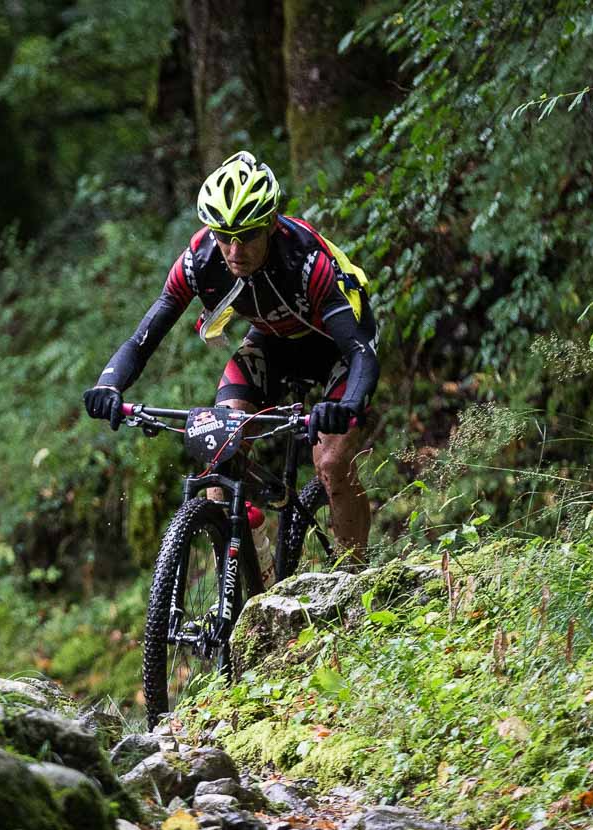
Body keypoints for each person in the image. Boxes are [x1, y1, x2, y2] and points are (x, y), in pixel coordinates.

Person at [83, 151, 380, 561]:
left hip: (336, 347)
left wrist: (346, 407)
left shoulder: (307, 261)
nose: (234, 249)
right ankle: (242, 587)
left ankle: (356, 579)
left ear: (271, 225)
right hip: (272, 343)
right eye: (224, 236)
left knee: (331, 461)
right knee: (217, 448)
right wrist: (108, 384)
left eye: (247, 235)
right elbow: (143, 337)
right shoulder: (199, 261)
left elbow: (360, 350)